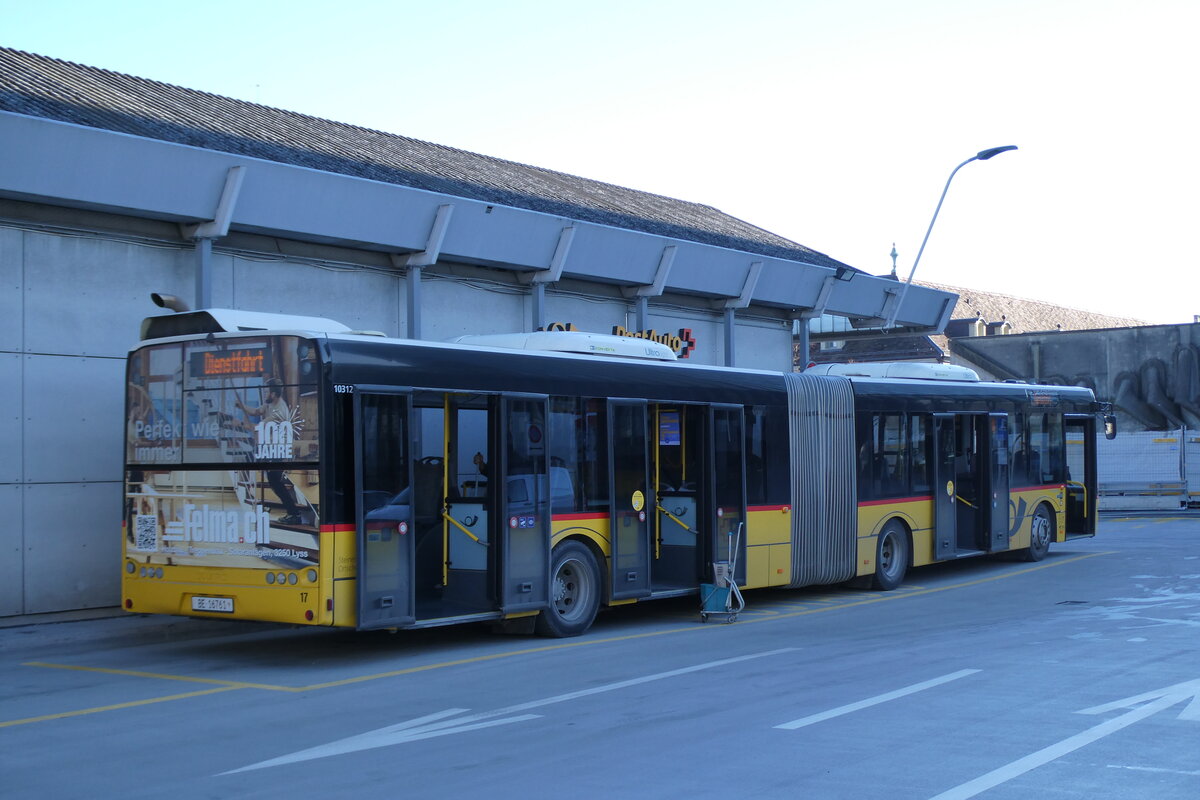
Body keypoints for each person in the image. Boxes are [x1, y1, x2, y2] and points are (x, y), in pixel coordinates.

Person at [237, 379, 304, 525]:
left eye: (267, 392)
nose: (265, 394)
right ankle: (291, 512)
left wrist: (240, 424)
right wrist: (242, 406)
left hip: (279, 451)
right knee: (272, 480)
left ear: (273, 394)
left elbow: (258, 427)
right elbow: (256, 411)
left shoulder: (279, 410)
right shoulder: (269, 403)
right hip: (271, 449)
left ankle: (294, 514)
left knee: (274, 481)